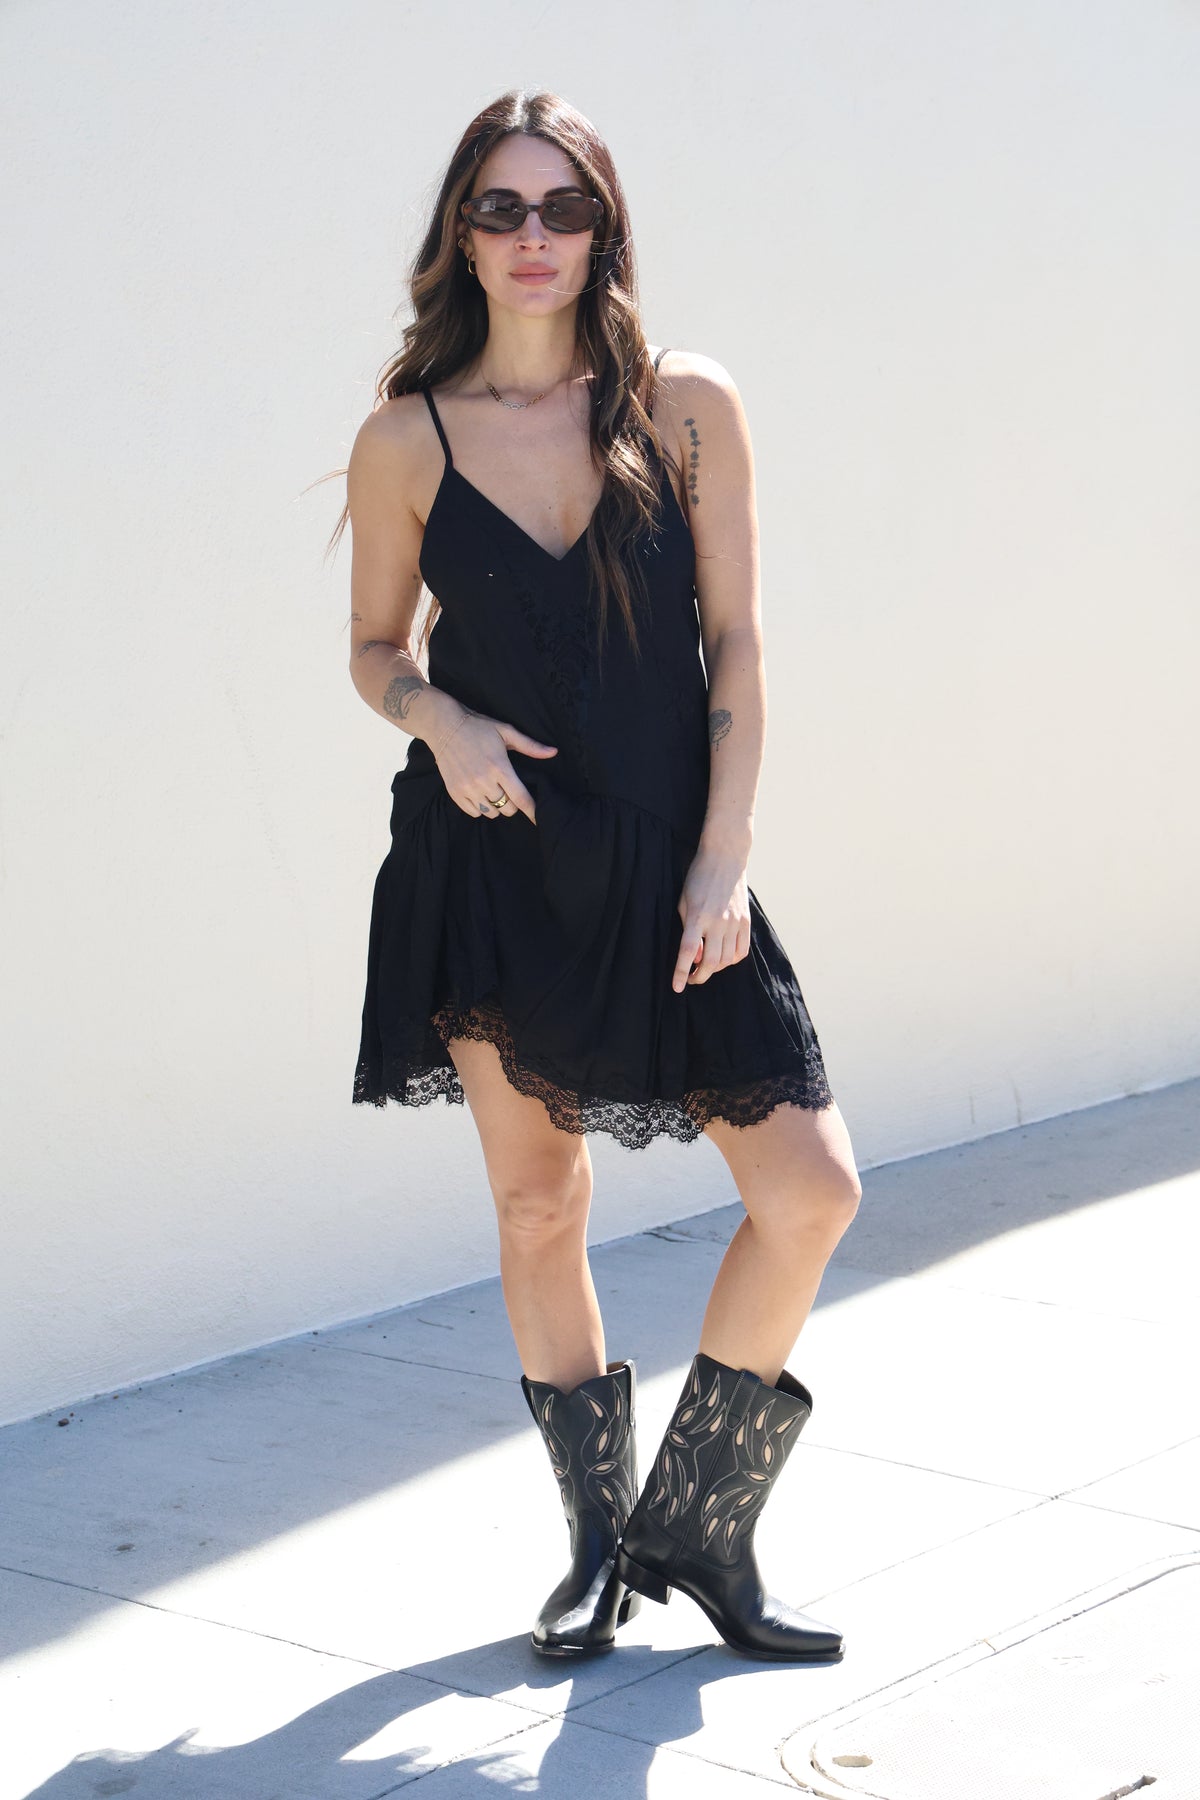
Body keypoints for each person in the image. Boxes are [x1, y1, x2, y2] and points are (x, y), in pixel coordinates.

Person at [340, 90, 862, 1662]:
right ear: (459, 234)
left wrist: (726, 861)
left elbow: (741, 642)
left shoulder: (684, 403)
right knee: (534, 1199)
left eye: (562, 209)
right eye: (500, 209)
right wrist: (436, 717)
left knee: (811, 1189)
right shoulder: (405, 439)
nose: (533, 239)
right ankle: (594, 1552)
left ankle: (696, 1530)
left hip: (675, 866)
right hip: (493, 866)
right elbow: (371, 653)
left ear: (604, 228)